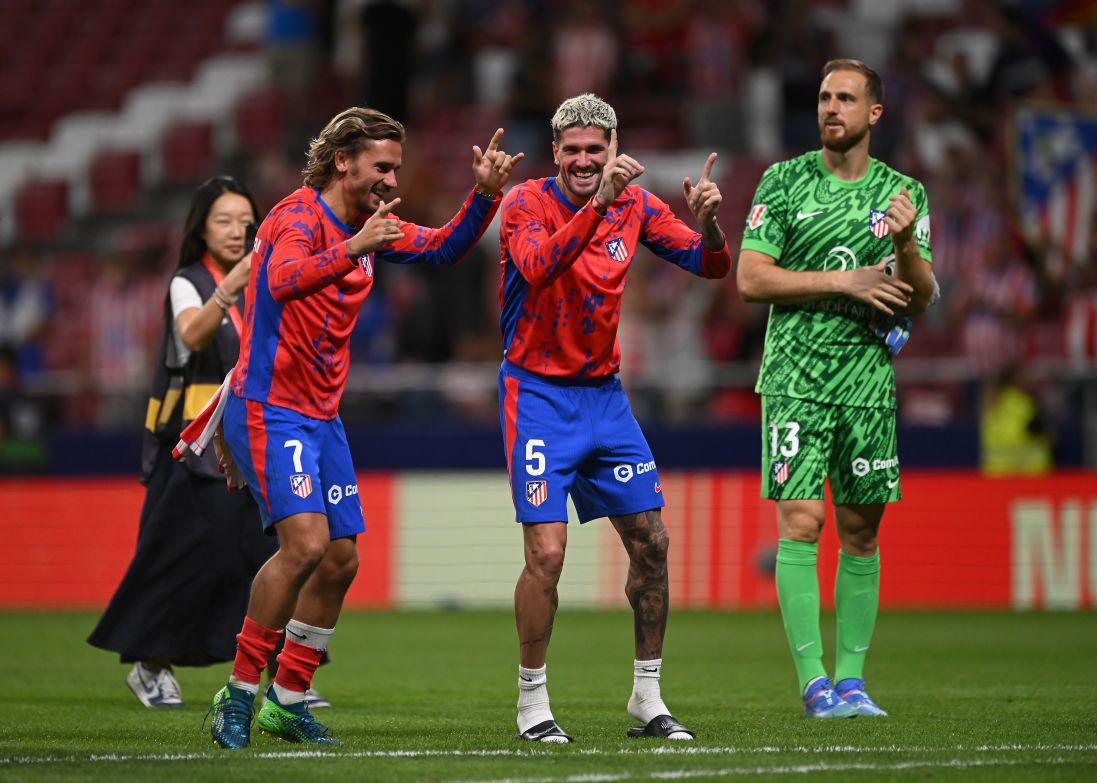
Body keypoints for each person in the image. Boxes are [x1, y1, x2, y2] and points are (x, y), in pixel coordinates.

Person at [206, 107, 523, 749]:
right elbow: (281, 279)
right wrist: (353, 249)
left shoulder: (369, 224)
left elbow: (441, 248)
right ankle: (237, 696)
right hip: (269, 404)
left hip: (322, 415)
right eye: (382, 166)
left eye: (396, 168)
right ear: (342, 161)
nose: (390, 179)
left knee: (341, 558)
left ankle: (287, 700)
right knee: (303, 547)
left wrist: (484, 195)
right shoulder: (296, 217)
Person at [497, 93, 731, 743]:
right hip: (538, 395)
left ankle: (647, 698)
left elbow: (710, 265)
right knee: (547, 553)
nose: (582, 160)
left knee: (652, 542)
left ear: (613, 149)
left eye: (594, 151)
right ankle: (532, 706)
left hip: (604, 397)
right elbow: (539, 268)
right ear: (554, 154)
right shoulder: (525, 205)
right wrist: (598, 205)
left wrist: (710, 223)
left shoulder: (638, 204)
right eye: (571, 150)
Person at [737, 59, 936, 718]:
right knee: (802, 521)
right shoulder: (785, 181)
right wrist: (840, 281)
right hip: (794, 374)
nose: (831, 108)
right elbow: (752, 278)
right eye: (824, 97)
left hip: (867, 380)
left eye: (846, 98)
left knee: (861, 532)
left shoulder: (904, 192)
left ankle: (853, 681)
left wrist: (906, 245)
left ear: (874, 112)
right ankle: (814, 683)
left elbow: (924, 296)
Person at [87, 177, 332, 708]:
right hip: (192, 446)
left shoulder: (271, 281)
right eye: (224, 220)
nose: (237, 230)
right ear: (199, 228)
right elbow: (192, 334)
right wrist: (230, 288)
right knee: (186, 557)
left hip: (249, 437)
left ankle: (283, 678)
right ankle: (151, 665)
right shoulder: (189, 281)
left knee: (267, 549)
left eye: (246, 221)